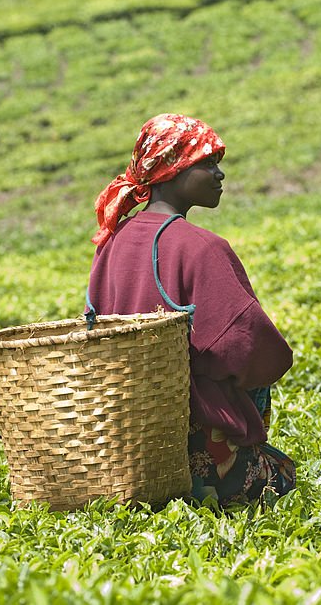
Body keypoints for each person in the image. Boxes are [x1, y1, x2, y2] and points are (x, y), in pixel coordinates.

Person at [86, 113, 297, 507]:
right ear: (172, 169)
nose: (220, 175)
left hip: (130, 450)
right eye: (207, 163)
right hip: (194, 454)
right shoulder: (202, 247)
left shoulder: (113, 241)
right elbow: (253, 350)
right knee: (283, 475)